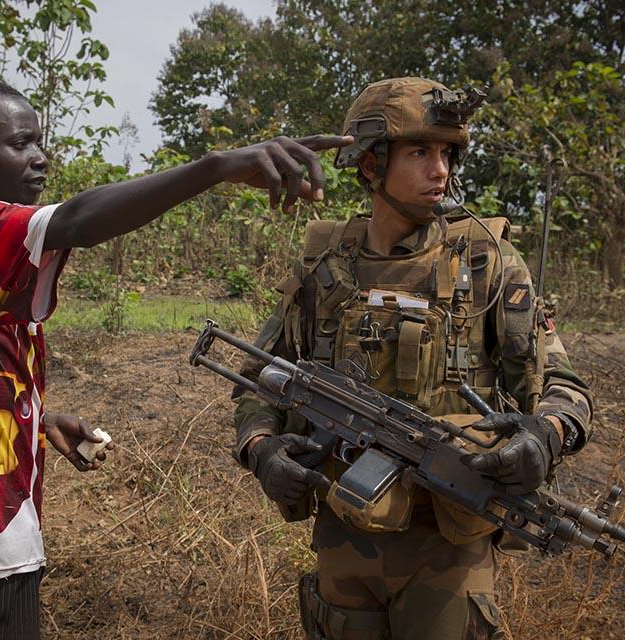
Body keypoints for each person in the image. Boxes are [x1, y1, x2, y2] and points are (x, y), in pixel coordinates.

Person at [0, 78, 351, 639]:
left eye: (39, 141)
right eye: (20, 144)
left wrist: (37, 421)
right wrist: (216, 166)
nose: (40, 157)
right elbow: (78, 220)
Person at [232, 77, 593, 640]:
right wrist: (261, 450)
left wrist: (547, 434)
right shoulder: (326, 267)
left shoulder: (487, 263)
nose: (440, 171)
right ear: (371, 164)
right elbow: (261, 377)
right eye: (420, 152)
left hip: (450, 543)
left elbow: (563, 385)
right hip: (345, 532)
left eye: (447, 154)